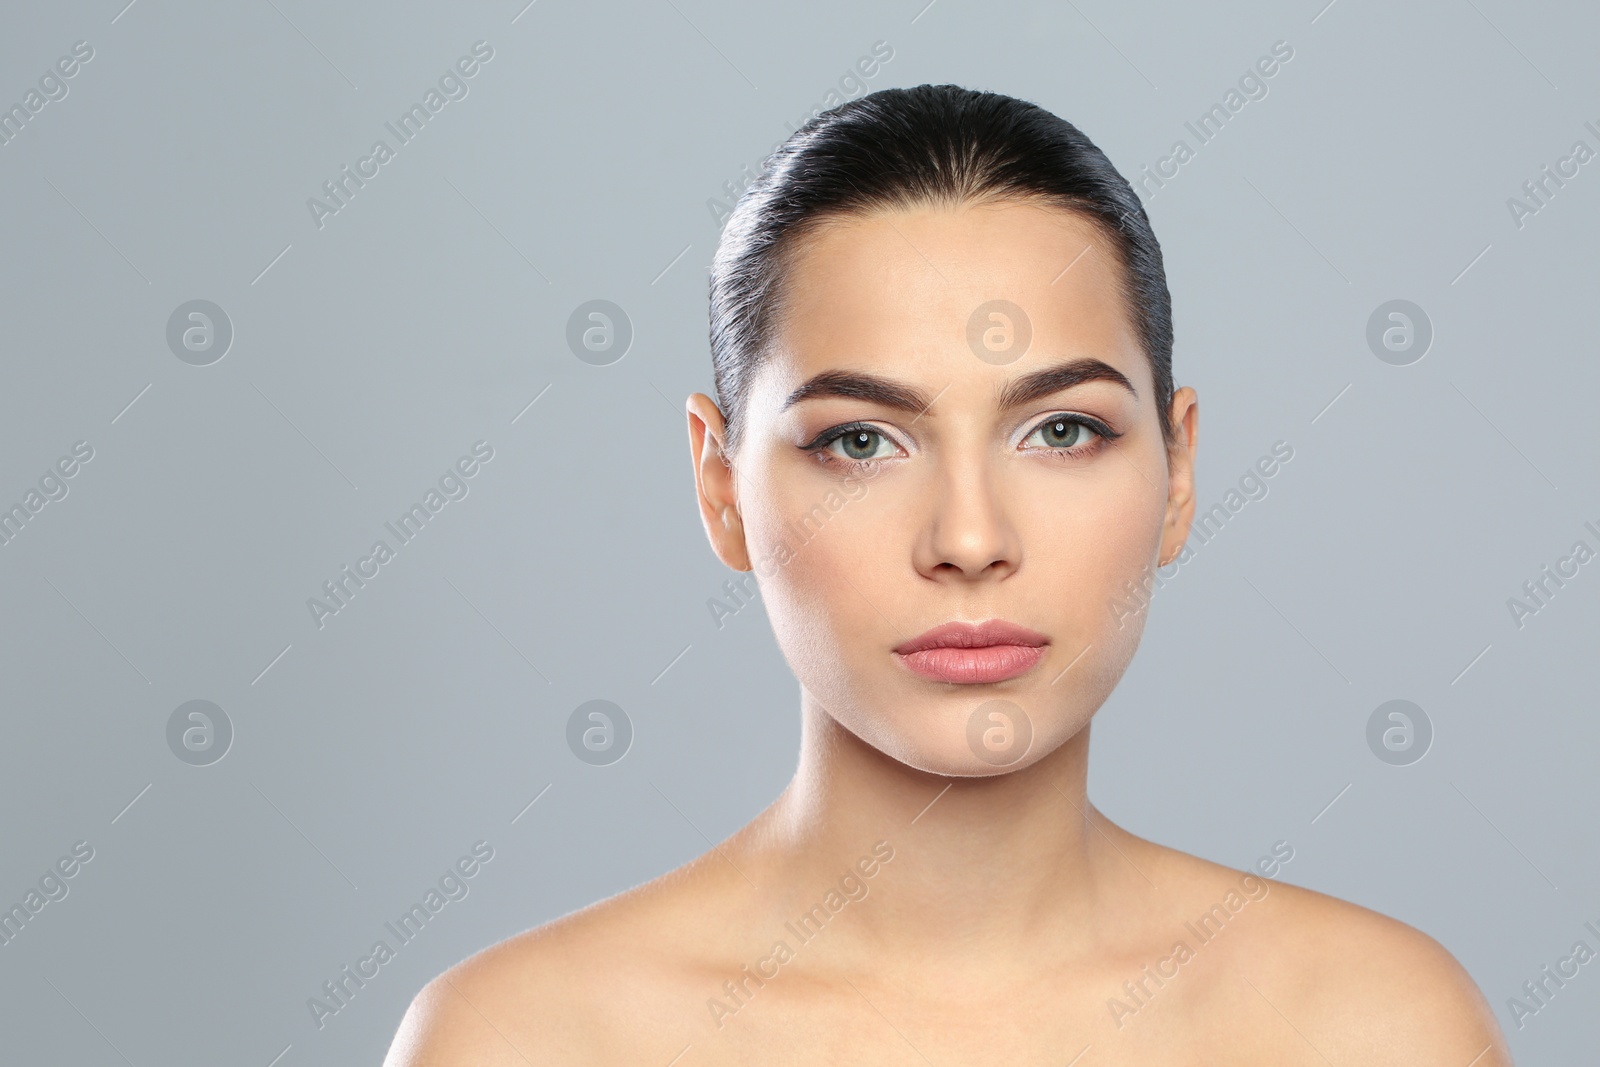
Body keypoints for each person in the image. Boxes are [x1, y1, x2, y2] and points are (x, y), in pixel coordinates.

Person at [384, 84, 1511, 1065]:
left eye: (1062, 430)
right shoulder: (524, 1041)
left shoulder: (1373, 1029)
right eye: (860, 441)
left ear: (1177, 474)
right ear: (721, 487)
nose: (969, 539)